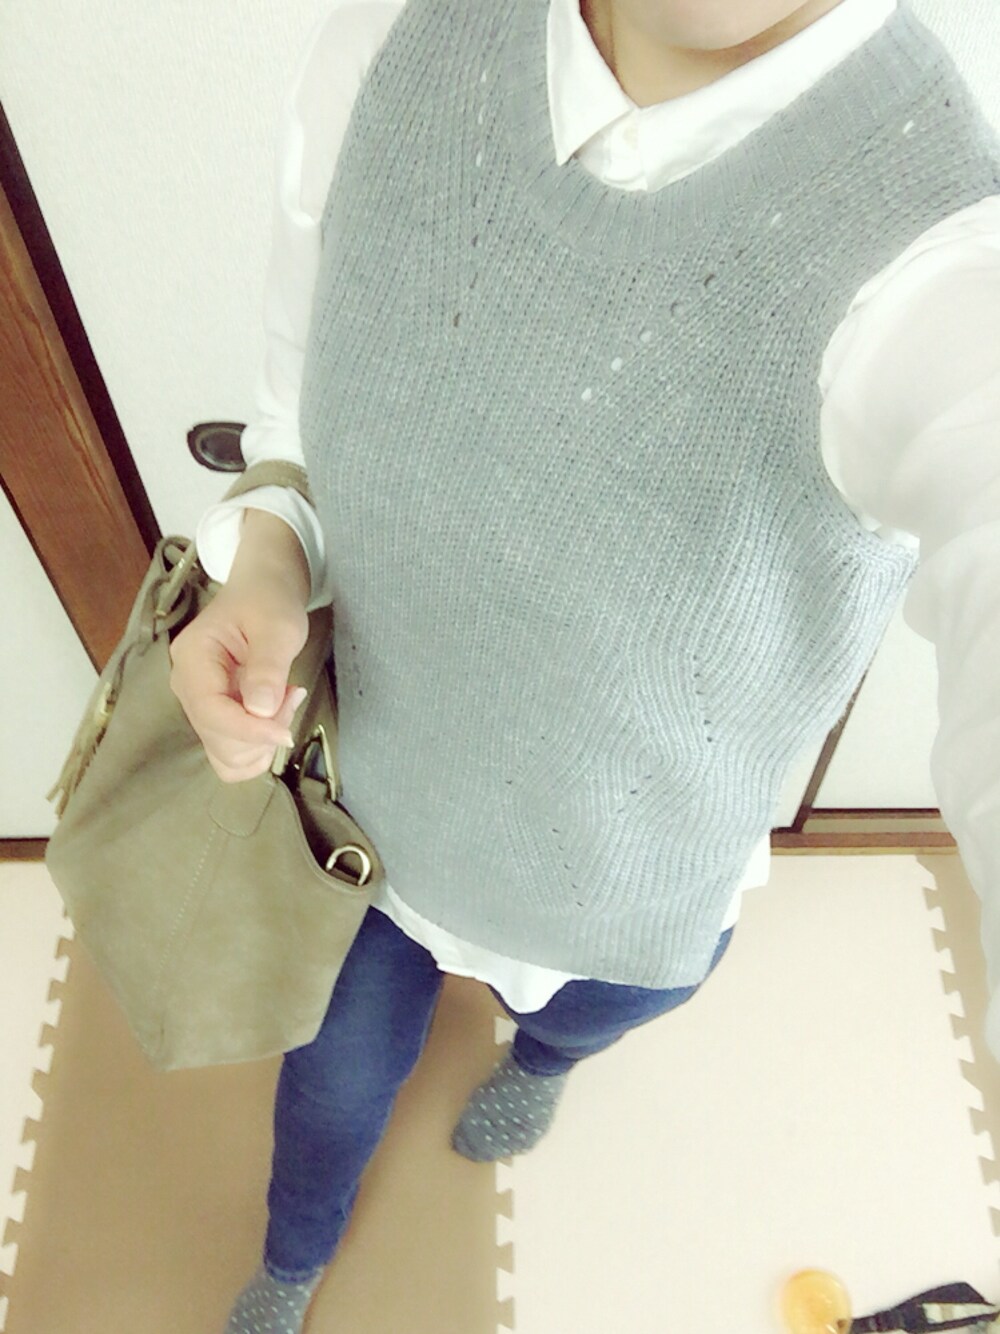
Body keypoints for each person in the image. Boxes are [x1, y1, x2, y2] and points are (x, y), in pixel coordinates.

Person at [167, 0, 1000, 1330]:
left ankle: (546, 1061)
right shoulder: (387, 43)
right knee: (325, 1091)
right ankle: (292, 1256)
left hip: (636, 871)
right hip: (377, 818)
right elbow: (295, 417)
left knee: (588, 1018)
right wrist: (265, 559)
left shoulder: (946, 256)